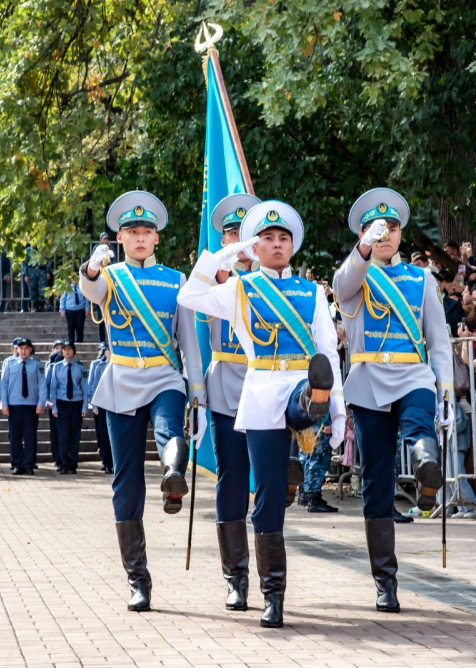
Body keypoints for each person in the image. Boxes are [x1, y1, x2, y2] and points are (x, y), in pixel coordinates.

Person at [180, 198, 343, 628]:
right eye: (267, 238)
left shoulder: (312, 292)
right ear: (256, 247)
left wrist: (339, 411)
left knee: (308, 393)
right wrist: (225, 255)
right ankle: (263, 591)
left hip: (297, 383)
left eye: (283, 238)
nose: (276, 244)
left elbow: (328, 352)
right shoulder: (242, 289)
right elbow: (190, 296)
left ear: (293, 246)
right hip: (259, 392)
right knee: (266, 496)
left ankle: (313, 404)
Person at [81, 190, 207, 613]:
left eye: (146, 231)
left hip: (164, 375)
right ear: (120, 237)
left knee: (169, 429)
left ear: (156, 238)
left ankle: (173, 477)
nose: (139, 237)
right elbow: (90, 290)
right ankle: (138, 579)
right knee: (127, 481)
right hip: (122, 380)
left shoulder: (176, 280)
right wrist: (91, 268)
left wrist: (196, 390)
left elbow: (187, 338)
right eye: (132, 231)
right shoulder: (110, 276)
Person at [332, 187, 452, 614]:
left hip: (412, 374)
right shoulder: (356, 274)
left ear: (401, 234)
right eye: (376, 228)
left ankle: (426, 473)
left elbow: (438, 339)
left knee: (419, 426)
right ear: (363, 234)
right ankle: (385, 581)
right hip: (368, 380)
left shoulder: (421, 279)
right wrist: (363, 249)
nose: (386, 235)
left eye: (392, 228)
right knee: (376, 481)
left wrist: (445, 388)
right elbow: (341, 285)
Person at [199, 192, 261, 612]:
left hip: (266, 385)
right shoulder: (213, 279)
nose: (238, 241)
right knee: (232, 481)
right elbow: (196, 291)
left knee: (270, 481)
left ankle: (272, 576)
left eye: (246, 233)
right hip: (225, 385)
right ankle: (235, 578)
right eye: (231, 234)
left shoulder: (274, 279)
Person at [0, 337, 46, 475]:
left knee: (30, 436)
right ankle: (16, 464)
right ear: (17, 349)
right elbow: (4, 384)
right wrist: (4, 404)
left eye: (26, 348)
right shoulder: (9, 363)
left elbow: (42, 384)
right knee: (15, 436)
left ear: (31, 349)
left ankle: (28, 464)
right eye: (21, 348)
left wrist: (41, 403)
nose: (23, 351)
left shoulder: (36, 364)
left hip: (31, 405)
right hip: (14, 405)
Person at [49, 340, 86, 475]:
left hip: (76, 402)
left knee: (75, 435)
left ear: (74, 351)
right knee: (63, 435)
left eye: (69, 349)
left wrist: (84, 407)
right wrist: (54, 407)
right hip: (62, 403)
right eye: (64, 349)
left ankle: (73, 463)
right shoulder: (57, 367)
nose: (67, 352)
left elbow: (84, 387)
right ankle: (63, 463)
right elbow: (53, 388)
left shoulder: (80, 367)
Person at [297, 413, 339, 513]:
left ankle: (305, 494)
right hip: (320, 420)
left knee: (306, 456)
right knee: (318, 459)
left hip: (306, 420)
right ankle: (313, 499)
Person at [87, 343, 113, 474]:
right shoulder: (99, 366)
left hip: (117, 405)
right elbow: (94, 386)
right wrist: (95, 405)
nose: (109, 352)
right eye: (107, 350)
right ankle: (107, 462)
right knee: (103, 435)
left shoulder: (120, 366)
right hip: (102, 404)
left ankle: (115, 462)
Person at [44, 340, 64, 471]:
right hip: (53, 402)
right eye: (56, 348)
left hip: (65, 401)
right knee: (55, 432)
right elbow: (46, 384)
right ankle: (57, 457)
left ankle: (65, 458)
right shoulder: (49, 364)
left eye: (61, 347)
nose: (58, 350)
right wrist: (46, 400)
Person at [22, 242, 48, 312]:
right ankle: (34, 306)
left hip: (41, 270)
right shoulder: (27, 251)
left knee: (42, 289)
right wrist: (26, 274)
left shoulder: (42, 250)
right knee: (32, 290)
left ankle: (42, 305)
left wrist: (48, 271)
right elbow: (24, 264)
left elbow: (47, 260)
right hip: (31, 271)